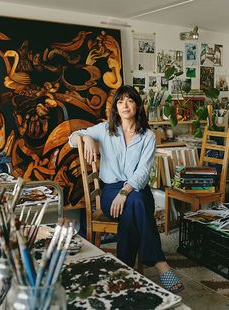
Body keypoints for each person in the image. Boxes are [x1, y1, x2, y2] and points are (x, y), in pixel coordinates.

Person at [69, 85, 184, 294]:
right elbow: (72, 138)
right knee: (136, 203)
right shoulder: (105, 129)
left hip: (137, 188)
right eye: (120, 101)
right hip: (110, 190)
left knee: (134, 202)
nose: (125, 105)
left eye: (129, 100)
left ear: (137, 106)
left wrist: (125, 192)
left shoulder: (148, 136)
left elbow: (142, 173)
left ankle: (125, 270)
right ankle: (159, 263)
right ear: (116, 107)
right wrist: (85, 138)